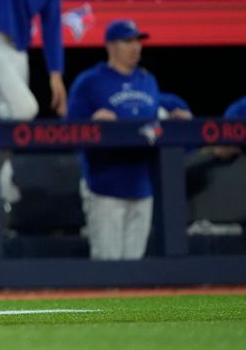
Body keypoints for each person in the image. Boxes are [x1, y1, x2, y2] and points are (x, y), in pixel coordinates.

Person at [67, 19, 192, 260]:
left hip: (142, 186)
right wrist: (92, 121)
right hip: (105, 186)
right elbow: (68, 131)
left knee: (135, 272)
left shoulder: (147, 81)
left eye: (138, 41)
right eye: (128, 41)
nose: (136, 47)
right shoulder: (90, 82)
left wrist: (176, 112)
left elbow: (158, 107)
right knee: (108, 269)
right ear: (110, 47)